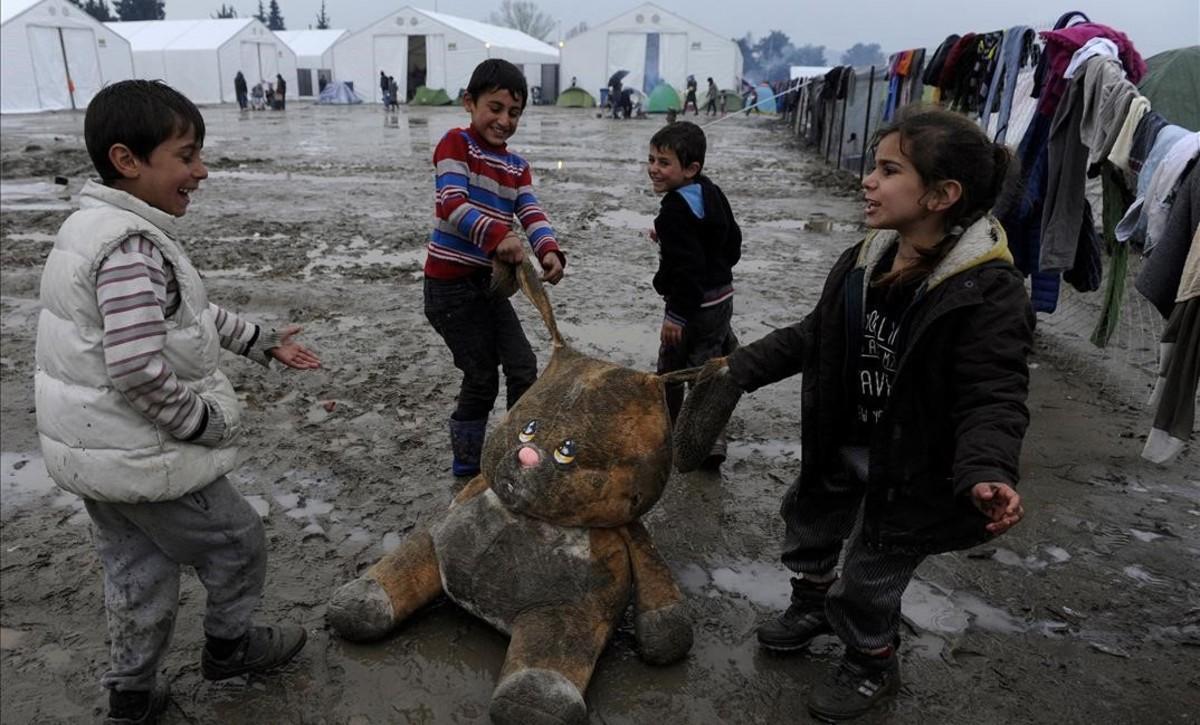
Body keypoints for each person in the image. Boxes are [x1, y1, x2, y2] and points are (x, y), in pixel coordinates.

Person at [692, 106, 1032, 720]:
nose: (866, 180)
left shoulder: (987, 293)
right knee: (811, 519)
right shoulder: (865, 260)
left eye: (888, 169)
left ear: (941, 195)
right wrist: (740, 367)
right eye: (873, 166)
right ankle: (812, 601)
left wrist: (987, 468)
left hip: (914, 465)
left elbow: (994, 392)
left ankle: (871, 659)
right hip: (844, 436)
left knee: (874, 569)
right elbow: (815, 336)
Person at [35, 80, 322, 725]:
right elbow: (137, 365)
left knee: (137, 572)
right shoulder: (132, 247)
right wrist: (203, 424)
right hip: (146, 457)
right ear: (127, 161)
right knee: (238, 541)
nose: (202, 170)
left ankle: (132, 695)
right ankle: (229, 648)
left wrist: (258, 341)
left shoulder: (92, 228)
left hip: (97, 459)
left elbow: (184, 314)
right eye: (187, 155)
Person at [423, 59, 566, 477]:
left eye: (514, 113)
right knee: (482, 376)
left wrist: (548, 251)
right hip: (449, 290)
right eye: (495, 107)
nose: (504, 120)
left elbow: (531, 210)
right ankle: (467, 466)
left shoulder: (517, 167)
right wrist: (497, 236)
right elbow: (452, 203)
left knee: (523, 365)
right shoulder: (455, 145)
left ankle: (514, 449)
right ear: (470, 102)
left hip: (488, 288)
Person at [647, 121, 741, 466]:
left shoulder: (673, 209)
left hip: (691, 307)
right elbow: (732, 241)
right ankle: (712, 439)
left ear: (690, 168)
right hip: (722, 299)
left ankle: (665, 430)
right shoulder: (710, 191)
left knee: (671, 369)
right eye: (652, 159)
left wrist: (675, 315)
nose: (654, 169)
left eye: (664, 163)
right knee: (708, 366)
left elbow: (686, 271)